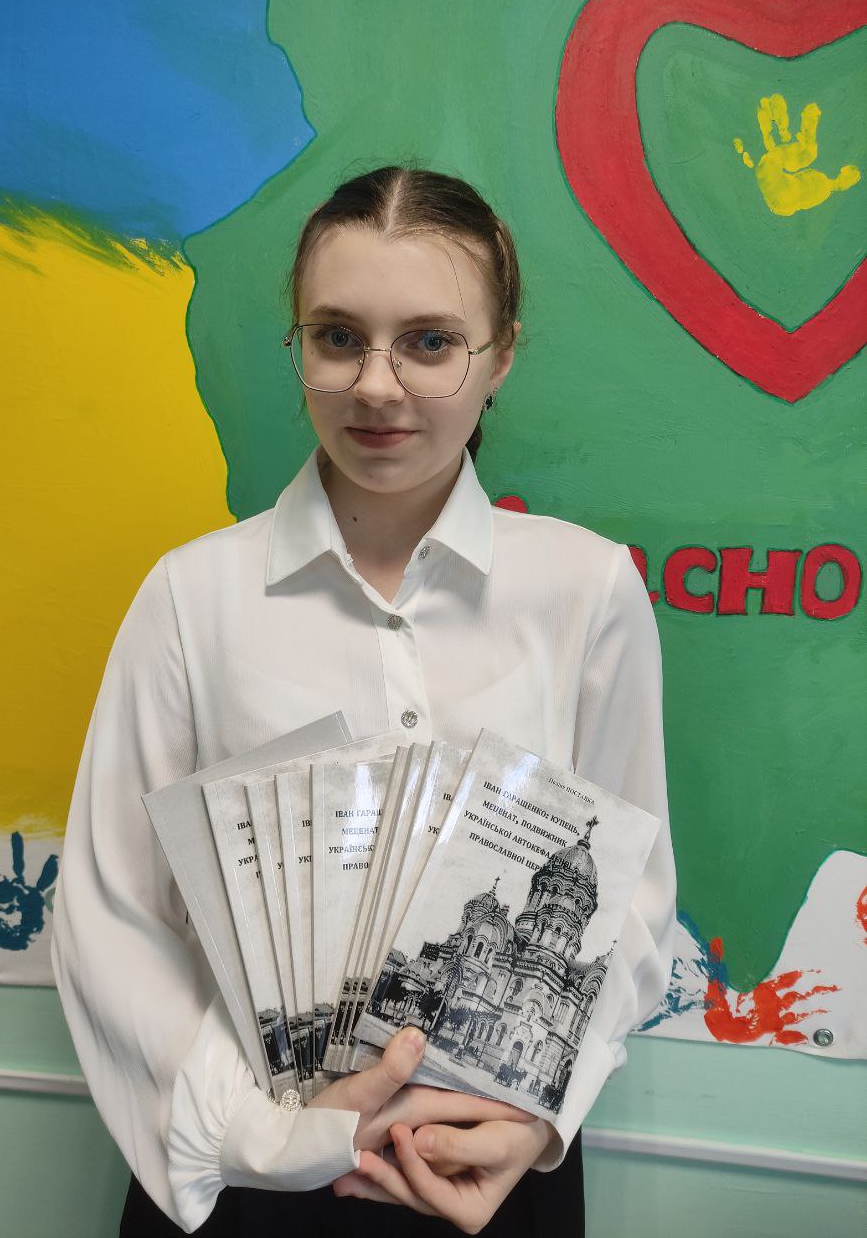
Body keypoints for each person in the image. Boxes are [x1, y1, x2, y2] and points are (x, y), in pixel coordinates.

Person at [52, 165, 676, 1236]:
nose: (377, 386)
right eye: (339, 337)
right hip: (247, 1178)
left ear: (500, 355)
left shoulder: (586, 590)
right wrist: (266, 1136)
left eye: (430, 342)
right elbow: (114, 911)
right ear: (299, 345)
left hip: (488, 1172)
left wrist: (535, 1121)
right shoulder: (193, 595)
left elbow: (633, 898)